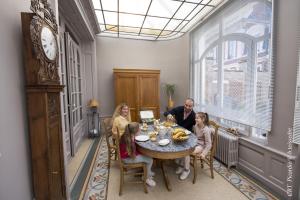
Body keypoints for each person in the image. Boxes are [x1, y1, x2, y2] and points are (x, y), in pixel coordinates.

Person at [176, 112, 213, 180]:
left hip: (202, 146)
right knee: (183, 147)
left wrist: (204, 153)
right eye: (195, 118)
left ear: (203, 119)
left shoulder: (206, 130)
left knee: (187, 152)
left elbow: (209, 144)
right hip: (195, 143)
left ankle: (187, 170)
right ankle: (181, 165)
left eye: (197, 118)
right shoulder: (196, 125)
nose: (195, 119)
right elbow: (196, 136)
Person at [120, 122, 156, 187]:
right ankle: (146, 178)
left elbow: (132, 151)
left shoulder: (128, 135)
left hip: (127, 156)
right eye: (139, 129)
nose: (140, 130)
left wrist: (141, 153)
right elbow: (131, 154)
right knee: (150, 159)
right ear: (135, 131)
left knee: (147, 155)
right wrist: (141, 154)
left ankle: (148, 172)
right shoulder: (129, 140)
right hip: (127, 159)